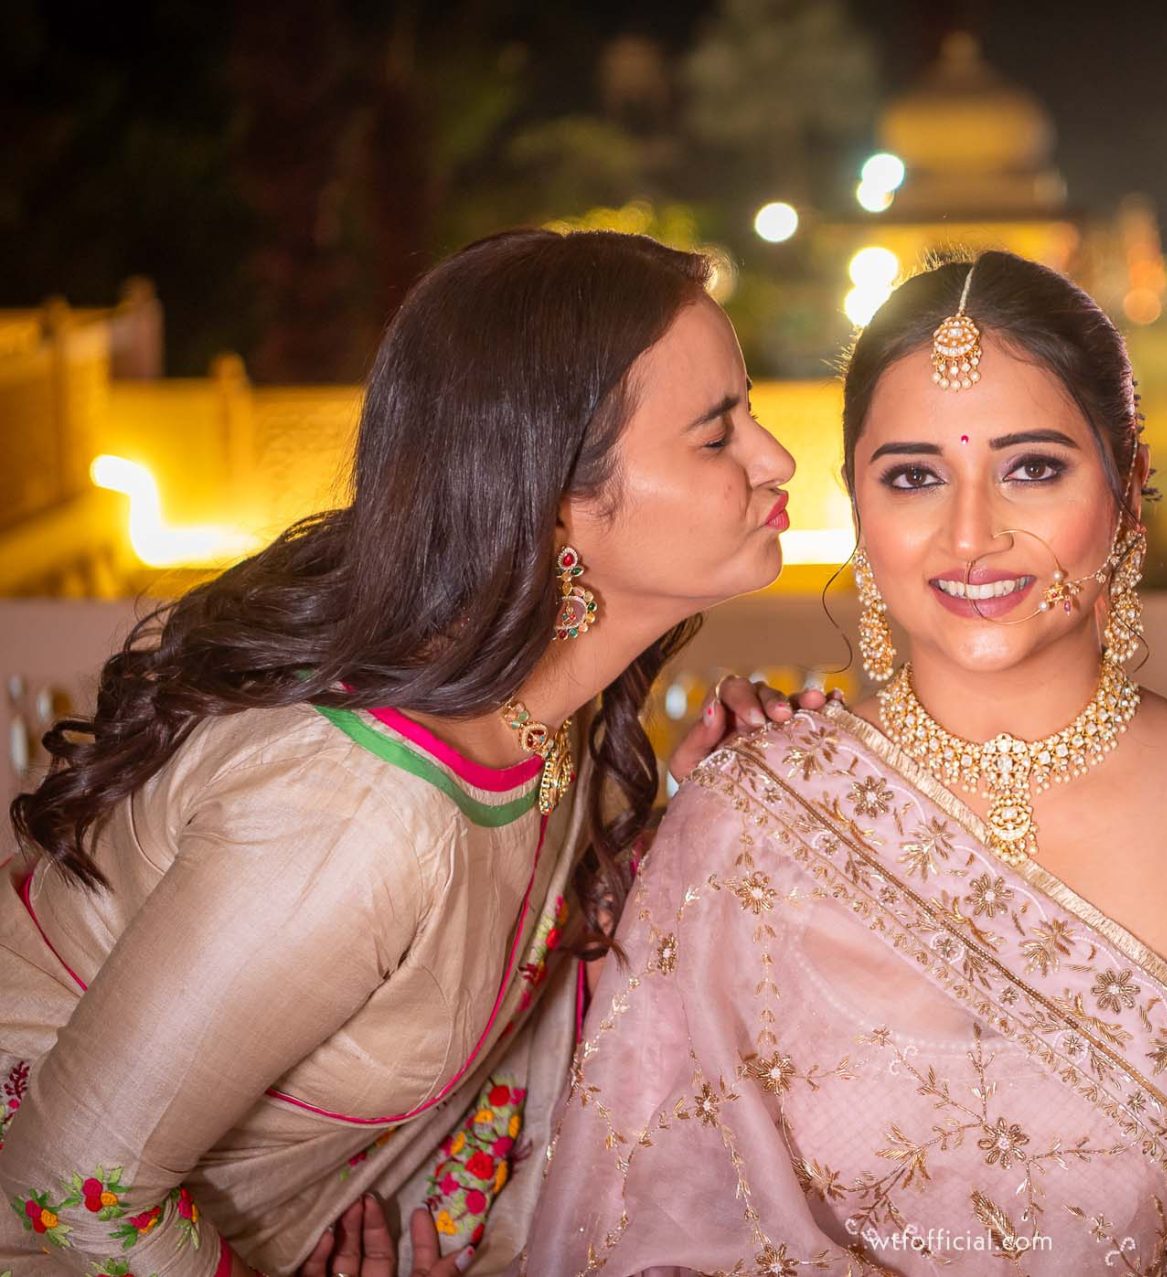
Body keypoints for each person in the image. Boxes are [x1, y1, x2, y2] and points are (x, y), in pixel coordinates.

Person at [525, 252, 1167, 1274]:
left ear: (1127, 485)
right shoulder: (750, 817)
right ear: (858, 503)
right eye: (913, 477)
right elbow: (637, 1220)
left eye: (1033, 468)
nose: (972, 535)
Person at [0, 228, 801, 1276]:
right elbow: (69, 1187)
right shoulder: (353, 812)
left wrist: (694, 819)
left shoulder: (537, 717)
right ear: (554, 504)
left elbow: (501, 959)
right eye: (717, 433)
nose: (777, 458)